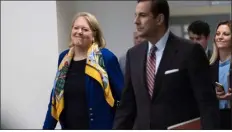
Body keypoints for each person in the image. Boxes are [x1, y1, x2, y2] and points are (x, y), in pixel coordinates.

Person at [113, 0, 220, 129]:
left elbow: (207, 104)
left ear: (159, 19)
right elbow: (127, 106)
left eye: (142, 15)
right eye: (135, 15)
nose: (136, 21)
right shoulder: (133, 54)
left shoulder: (190, 51)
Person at [43, 12, 124, 130]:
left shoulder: (106, 58)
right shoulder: (63, 59)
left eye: (85, 29)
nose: (79, 32)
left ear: (94, 35)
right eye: (76, 28)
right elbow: (55, 98)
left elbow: (123, 99)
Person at [210, 20, 232, 129]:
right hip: (216, 119)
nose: (220, 37)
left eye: (226, 34)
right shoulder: (209, 67)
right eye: (218, 34)